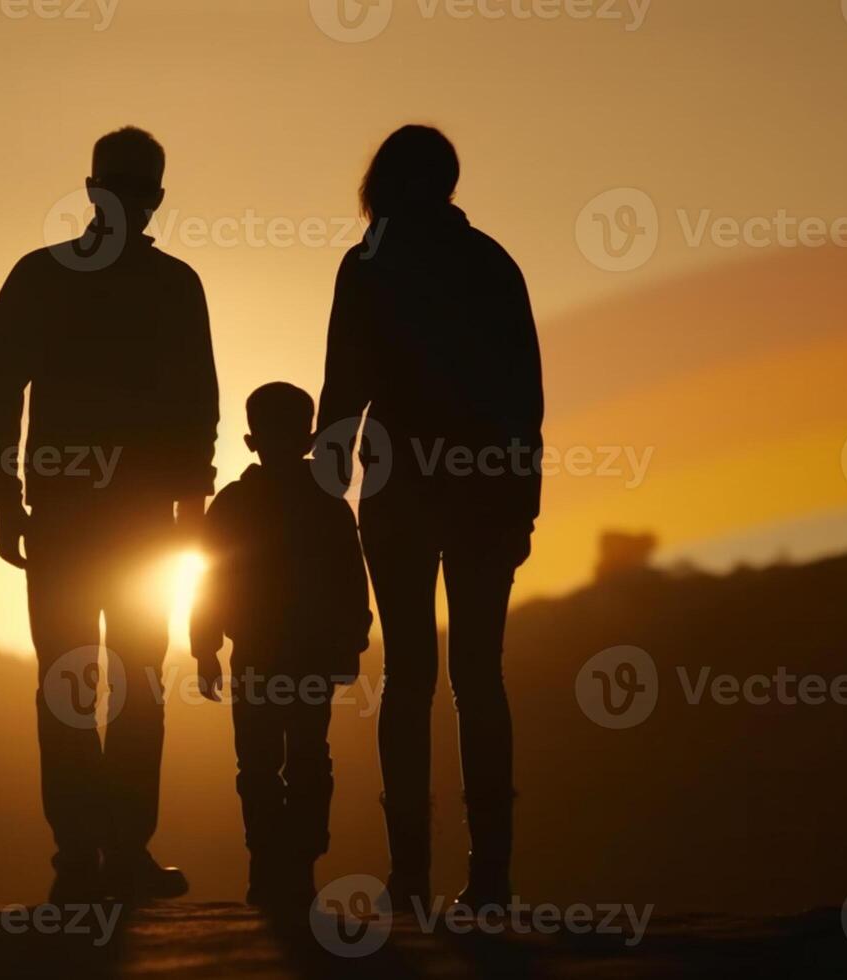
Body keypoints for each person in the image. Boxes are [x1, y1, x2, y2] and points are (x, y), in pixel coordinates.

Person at [0, 126, 218, 904]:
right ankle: (97, 852)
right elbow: (198, 408)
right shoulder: (166, 284)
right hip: (111, 518)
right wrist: (3, 490)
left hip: (102, 519)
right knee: (111, 683)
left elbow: (197, 407)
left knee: (96, 681)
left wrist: (5, 493)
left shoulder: (47, 278)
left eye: (132, 191)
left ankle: (98, 852)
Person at [315, 125, 543, 912]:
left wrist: (321, 494)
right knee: (479, 677)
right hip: (482, 489)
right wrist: (523, 498)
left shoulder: (370, 264)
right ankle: (489, 877)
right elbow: (524, 399)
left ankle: (409, 874)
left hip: (400, 484)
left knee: (409, 677)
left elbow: (341, 386)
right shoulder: (491, 263)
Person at [190, 382, 372, 908]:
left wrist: (205, 649)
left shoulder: (233, 504)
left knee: (262, 763)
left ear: (250, 441)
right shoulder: (327, 506)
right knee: (304, 756)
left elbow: (206, 582)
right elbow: (350, 582)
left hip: (258, 655)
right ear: (309, 438)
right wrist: (350, 644)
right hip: (302, 654)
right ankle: (293, 859)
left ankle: (272, 861)